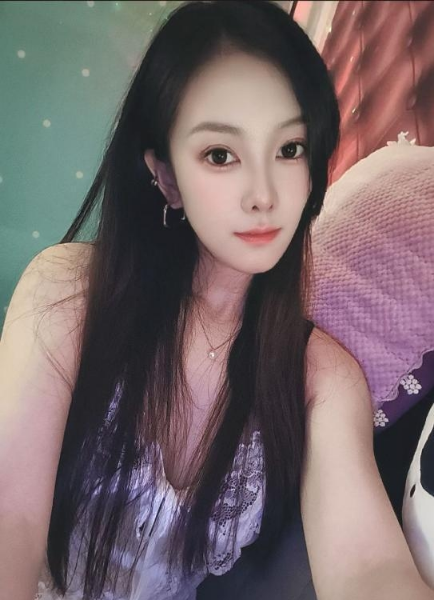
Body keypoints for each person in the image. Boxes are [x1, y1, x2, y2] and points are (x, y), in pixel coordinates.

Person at [0, 2, 433, 599]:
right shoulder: (68, 293)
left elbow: (368, 567)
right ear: (166, 176)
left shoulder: (320, 377)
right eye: (221, 155)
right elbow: (10, 517)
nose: (263, 194)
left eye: (290, 148)